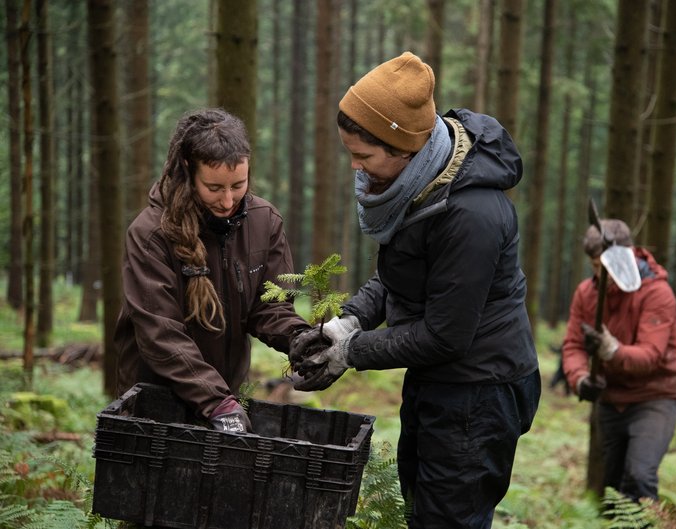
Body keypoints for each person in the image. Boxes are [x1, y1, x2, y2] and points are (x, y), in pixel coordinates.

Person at [292, 51, 541, 529]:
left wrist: (352, 351)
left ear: (403, 147)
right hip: (440, 382)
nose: (354, 168)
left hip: (479, 393)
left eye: (363, 156)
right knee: (422, 513)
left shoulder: (471, 216)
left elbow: (447, 335)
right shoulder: (422, 184)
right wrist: (351, 319)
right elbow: (398, 277)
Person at [115, 108, 310, 434]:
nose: (228, 199)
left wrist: (301, 339)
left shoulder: (264, 222)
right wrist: (216, 402)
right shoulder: (151, 236)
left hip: (225, 397)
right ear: (188, 170)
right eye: (214, 187)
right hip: (155, 405)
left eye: (238, 184)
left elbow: (270, 306)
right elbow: (160, 334)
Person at [561, 219, 676, 502]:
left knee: (640, 477)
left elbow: (650, 356)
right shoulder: (586, 293)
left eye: (604, 265)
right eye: (595, 267)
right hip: (611, 401)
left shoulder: (657, 293)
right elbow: (573, 345)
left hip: (654, 398)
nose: (601, 274)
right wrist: (579, 378)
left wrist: (612, 351)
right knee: (614, 490)